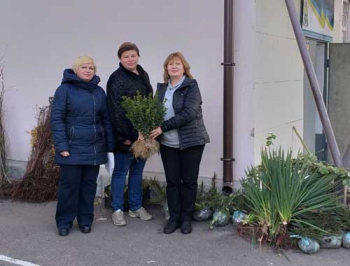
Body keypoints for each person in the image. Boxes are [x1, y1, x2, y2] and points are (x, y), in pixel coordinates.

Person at [51, 56, 114, 236]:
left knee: (88, 188)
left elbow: (106, 120)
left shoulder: (99, 92)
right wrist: (62, 145)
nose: (88, 70)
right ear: (76, 70)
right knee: (68, 188)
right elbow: (57, 119)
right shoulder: (64, 90)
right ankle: (64, 222)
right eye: (84, 67)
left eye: (91, 68)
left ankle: (85, 220)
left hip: (94, 148)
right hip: (71, 148)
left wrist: (109, 146)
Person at [150, 52, 210, 234]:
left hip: (191, 142)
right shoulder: (161, 89)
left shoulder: (191, 86)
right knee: (173, 182)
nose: (174, 66)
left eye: (177, 64)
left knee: (189, 181)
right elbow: (154, 112)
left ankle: (186, 218)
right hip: (168, 144)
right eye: (170, 64)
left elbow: (189, 113)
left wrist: (162, 127)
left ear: (184, 67)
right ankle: (174, 217)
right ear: (166, 68)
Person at [107, 42, 153, 226]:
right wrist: (133, 134)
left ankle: (136, 206)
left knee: (137, 171)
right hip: (125, 135)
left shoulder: (143, 74)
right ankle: (117, 209)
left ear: (138, 56)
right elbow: (116, 110)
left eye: (133, 55)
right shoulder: (116, 78)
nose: (130, 59)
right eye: (126, 56)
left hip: (144, 133)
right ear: (120, 59)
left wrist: (147, 130)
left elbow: (148, 103)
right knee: (120, 172)